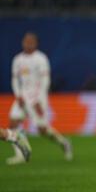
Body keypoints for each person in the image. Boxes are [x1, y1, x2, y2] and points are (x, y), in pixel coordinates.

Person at [7, 32, 73, 165]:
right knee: (13, 123)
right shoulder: (18, 59)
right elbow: (15, 80)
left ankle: (64, 143)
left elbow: (45, 81)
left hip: (37, 98)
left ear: (36, 43)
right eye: (26, 41)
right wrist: (18, 94)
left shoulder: (41, 59)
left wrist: (39, 100)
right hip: (22, 96)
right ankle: (20, 154)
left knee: (42, 130)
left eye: (31, 41)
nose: (28, 44)